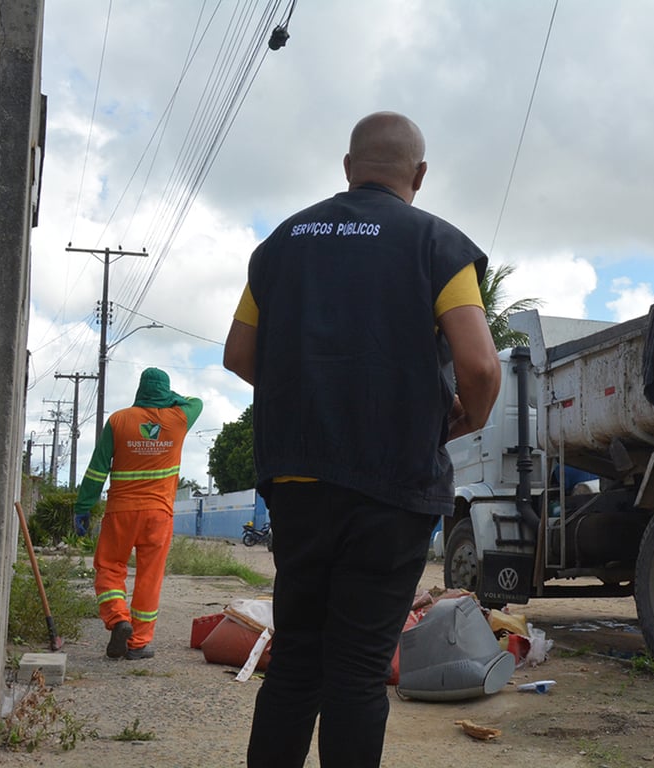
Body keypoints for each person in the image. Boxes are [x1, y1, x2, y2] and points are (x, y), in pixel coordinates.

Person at [223, 111, 501, 767]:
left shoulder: (281, 244)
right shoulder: (436, 242)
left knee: (296, 661)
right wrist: (470, 415)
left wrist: (311, 391)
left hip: (297, 480)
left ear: (349, 169)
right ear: (420, 176)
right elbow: (482, 366)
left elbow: (239, 353)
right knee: (356, 668)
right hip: (391, 483)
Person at [74, 367, 203, 660]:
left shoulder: (119, 420)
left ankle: (118, 619)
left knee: (109, 567)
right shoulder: (178, 419)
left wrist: (83, 507)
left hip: (121, 512)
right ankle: (138, 643)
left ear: (140, 389)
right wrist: (166, 398)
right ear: (164, 392)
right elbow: (195, 402)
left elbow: (97, 469)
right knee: (150, 576)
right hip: (158, 514)